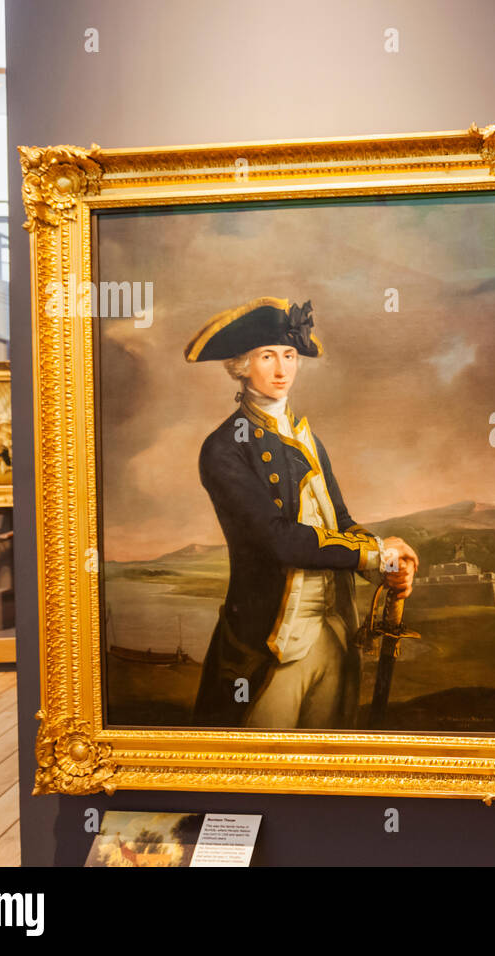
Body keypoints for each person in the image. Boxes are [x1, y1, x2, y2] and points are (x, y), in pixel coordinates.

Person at [185, 296, 418, 728]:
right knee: (259, 766)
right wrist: (374, 554)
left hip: (334, 634)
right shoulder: (223, 448)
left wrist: (385, 567)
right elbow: (279, 539)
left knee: (330, 763)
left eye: (289, 356)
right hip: (271, 642)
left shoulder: (308, 437)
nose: (281, 369)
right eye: (267, 356)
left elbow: (340, 524)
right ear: (241, 365)